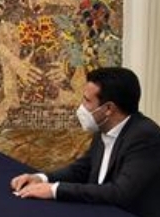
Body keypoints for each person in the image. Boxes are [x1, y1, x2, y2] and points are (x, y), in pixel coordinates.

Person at [10, 67, 160, 217]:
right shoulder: (103, 127)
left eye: (87, 101)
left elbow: (120, 192)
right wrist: (41, 178)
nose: (81, 106)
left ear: (108, 108)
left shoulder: (145, 136)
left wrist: (55, 190)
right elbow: (82, 169)